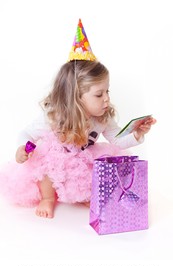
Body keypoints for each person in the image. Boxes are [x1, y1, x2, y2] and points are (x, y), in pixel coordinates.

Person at [0, 19, 156, 219]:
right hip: (55, 160)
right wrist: (23, 148)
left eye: (107, 91)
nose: (107, 98)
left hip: (81, 159)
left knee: (97, 169)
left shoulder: (102, 118)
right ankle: (47, 197)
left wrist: (135, 134)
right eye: (99, 94)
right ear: (75, 97)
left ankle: (80, 195)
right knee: (45, 161)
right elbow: (26, 133)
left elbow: (116, 140)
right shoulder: (54, 115)